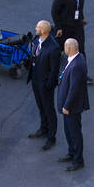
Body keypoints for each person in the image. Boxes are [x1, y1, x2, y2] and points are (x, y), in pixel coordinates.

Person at [27, 20, 61, 150]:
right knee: (41, 106)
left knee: (48, 109)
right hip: (35, 79)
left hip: (45, 83)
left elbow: (54, 70)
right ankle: (43, 128)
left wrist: (48, 84)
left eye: (38, 27)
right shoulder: (37, 39)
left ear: (44, 31)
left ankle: (51, 137)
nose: (35, 28)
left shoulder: (53, 48)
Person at [52, 0, 92, 84]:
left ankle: (82, 75)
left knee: (81, 50)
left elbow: (79, 7)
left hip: (77, 26)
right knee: (57, 50)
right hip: (64, 28)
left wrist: (82, 17)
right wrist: (58, 27)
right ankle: (53, 73)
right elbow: (54, 12)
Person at [56, 37, 88, 171]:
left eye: (65, 47)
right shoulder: (77, 58)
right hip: (69, 105)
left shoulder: (76, 66)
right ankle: (72, 153)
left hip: (71, 107)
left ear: (69, 49)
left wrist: (67, 106)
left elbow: (74, 89)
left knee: (74, 133)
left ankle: (78, 160)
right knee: (69, 131)